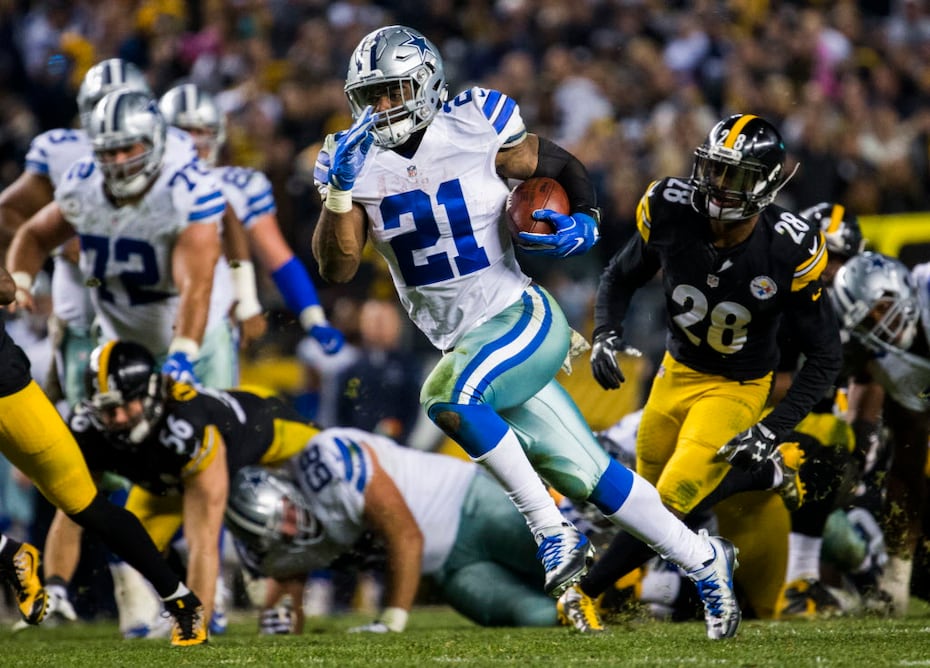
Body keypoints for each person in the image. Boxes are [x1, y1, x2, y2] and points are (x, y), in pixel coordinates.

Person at [311, 25, 741, 640]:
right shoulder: (350, 159)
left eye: (394, 90)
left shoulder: (474, 123)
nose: (381, 107)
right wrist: (337, 192)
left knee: (446, 397)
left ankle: (550, 530)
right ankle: (704, 559)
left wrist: (587, 218)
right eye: (371, 94)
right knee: (590, 474)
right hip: (467, 344)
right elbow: (338, 266)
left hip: (520, 317)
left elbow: (559, 162)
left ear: (427, 82)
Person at [582, 113, 842, 627]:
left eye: (736, 175)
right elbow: (620, 274)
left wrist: (769, 429)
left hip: (738, 386)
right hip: (675, 372)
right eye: (714, 169)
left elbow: (826, 356)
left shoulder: (788, 246)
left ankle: (584, 591)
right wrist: (606, 332)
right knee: (645, 500)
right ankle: (651, 584)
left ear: (765, 184)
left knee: (672, 499)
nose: (719, 185)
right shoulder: (670, 207)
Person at [41, 338, 318, 634]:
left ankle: (260, 596)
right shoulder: (90, 429)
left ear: (149, 394)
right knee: (130, 546)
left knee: (272, 513)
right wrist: (54, 588)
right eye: (108, 410)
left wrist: (193, 629)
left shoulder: (187, 427)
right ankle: (172, 600)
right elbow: (73, 513)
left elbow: (205, 542)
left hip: (269, 432)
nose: (118, 418)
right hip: (167, 477)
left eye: (125, 405)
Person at [0, 265, 206, 645]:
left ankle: (181, 601)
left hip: (5, 386)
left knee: (86, 504)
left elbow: (7, 289)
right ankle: (8, 553)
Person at [226, 427, 562, 633]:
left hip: (469, 502)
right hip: (450, 568)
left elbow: (406, 534)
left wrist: (393, 617)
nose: (291, 527)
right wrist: (277, 623)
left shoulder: (328, 461)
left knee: (565, 566)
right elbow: (283, 614)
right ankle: (608, 610)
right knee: (538, 615)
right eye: (278, 531)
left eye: (283, 513)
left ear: (283, 488)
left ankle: (614, 577)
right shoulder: (282, 548)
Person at [6, 88, 224, 386]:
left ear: (154, 142)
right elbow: (35, 235)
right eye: (108, 151)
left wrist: (183, 354)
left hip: (195, 344)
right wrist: (21, 280)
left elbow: (195, 287)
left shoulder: (183, 192)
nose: (118, 161)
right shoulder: (84, 185)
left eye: (127, 148)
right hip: (116, 345)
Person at [0, 58, 160, 406]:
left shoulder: (173, 152)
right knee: (85, 422)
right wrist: (58, 245)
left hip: (154, 317)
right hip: (83, 311)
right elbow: (7, 215)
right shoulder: (63, 151)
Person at [157, 83, 344, 356]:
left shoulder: (236, 186)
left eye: (200, 131)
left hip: (212, 326)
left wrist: (313, 318)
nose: (192, 141)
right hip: (143, 318)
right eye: (183, 132)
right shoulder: (136, 189)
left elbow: (278, 258)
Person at [830, 250, 930, 615]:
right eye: (869, 321)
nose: (882, 322)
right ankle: (897, 578)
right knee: (908, 458)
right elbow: (909, 461)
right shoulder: (894, 364)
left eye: (882, 306)